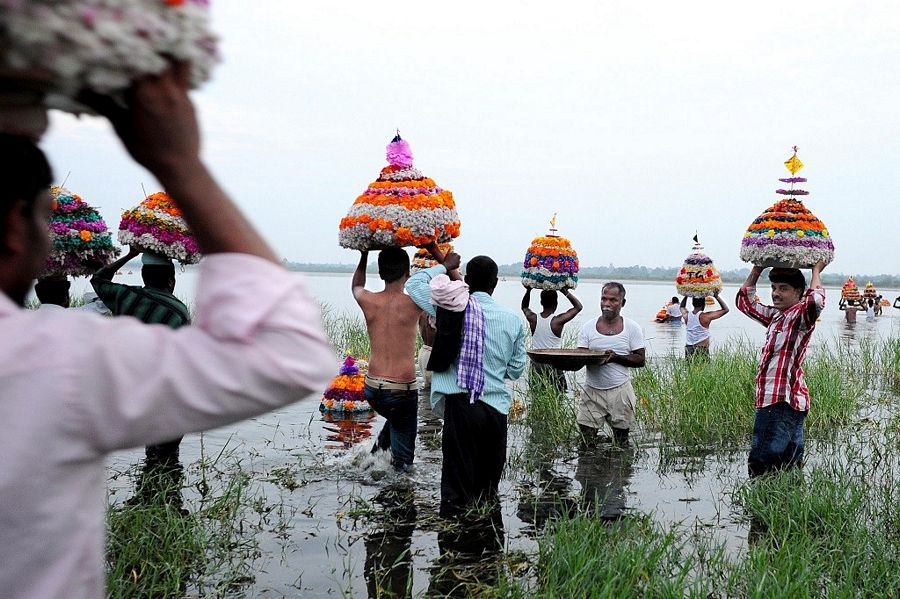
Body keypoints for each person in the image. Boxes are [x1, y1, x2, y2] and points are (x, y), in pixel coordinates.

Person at [0, 65, 336, 598]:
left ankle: (154, 498)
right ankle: (162, 501)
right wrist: (180, 164)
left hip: (144, 381)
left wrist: (130, 252)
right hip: (157, 389)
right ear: (16, 230)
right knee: (167, 456)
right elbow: (285, 352)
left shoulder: (115, 303)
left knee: (159, 459)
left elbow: (103, 282)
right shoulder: (66, 351)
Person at [406, 249, 526, 517]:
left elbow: (413, 285)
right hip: (495, 410)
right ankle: (487, 546)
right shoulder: (512, 320)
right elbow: (516, 370)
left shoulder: (451, 307)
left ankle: (453, 549)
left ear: (467, 281)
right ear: (495, 283)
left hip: (461, 406)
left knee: (456, 489)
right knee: (487, 489)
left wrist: (444, 266)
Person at [92, 247, 191, 469]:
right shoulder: (178, 311)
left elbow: (98, 278)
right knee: (167, 458)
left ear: (144, 276)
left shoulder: (126, 296)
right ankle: (163, 496)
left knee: (151, 452)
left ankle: (149, 493)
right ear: (171, 281)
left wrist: (130, 255)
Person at [736, 263, 825, 477]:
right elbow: (744, 302)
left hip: (780, 400)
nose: (776, 293)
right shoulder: (777, 316)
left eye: (783, 288)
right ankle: (786, 507)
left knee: (762, 460)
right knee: (788, 464)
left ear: (798, 292)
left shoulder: (800, 317)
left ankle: (762, 503)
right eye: (774, 287)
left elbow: (816, 301)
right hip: (786, 399)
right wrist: (758, 269)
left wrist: (816, 270)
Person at [352, 248, 421, 472]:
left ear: (380, 273)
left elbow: (356, 286)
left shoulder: (369, 300)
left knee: (395, 420)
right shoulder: (415, 304)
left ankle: (372, 460)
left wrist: (363, 255)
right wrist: (440, 258)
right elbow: (452, 295)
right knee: (404, 467)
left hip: (373, 389)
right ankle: (398, 494)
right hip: (401, 391)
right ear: (407, 272)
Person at [576, 282, 646, 447]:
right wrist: (561, 362)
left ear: (622, 303)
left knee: (621, 442)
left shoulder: (631, 328)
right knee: (586, 442)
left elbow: (640, 360)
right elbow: (579, 358)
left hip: (620, 391)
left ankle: (620, 471)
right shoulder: (588, 327)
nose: (606, 304)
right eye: (603, 299)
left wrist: (615, 358)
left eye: (613, 300)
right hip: (592, 391)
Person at [521, 287, 583, 392]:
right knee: (560, 394)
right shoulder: (557, 321)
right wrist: (565, 291)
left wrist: (528, 290)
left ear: (541, 302)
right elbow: (578, 307)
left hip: (536, 364)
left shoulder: (533, 318)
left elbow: (524, 307)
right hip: (554, 363)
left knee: (537, 395)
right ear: (556, 303)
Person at [679, 290, 729, 359]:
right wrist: (716, 296)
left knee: (689, 369)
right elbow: (725, 310)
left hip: (689, 348)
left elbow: (682, 307)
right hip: (701, 349)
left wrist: (686, 295)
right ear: (704, 304)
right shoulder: (706, 317)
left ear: (693, 304)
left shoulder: (687, 316)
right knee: (704, 369)